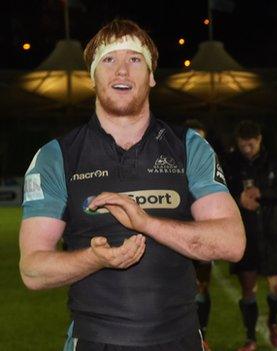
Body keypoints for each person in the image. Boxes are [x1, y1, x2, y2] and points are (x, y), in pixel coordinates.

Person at [18, 19, 245, 351]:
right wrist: (95, 259)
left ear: (151, 76)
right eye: (109, 60)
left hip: (180, 339)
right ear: (93, 77)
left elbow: (232, 242)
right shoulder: (56, 157)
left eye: (134, 60)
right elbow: (32, 270)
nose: (121, 71)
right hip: (95, 341)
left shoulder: (189, 147)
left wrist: (146, 223)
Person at [223, 120, 277, 351]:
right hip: (245, 234)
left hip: (273, 232)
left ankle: (273, 321)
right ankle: (250, 338)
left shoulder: (276, 160)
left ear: (259, 139)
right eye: (243, 145)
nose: (247, 149)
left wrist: (262, 193)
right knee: (248, 289)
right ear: (237, 142)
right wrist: (238, 199)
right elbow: (217, 190)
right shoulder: (229, 163)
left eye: (251, 144)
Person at [184, 118, 218, 351]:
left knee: (201, 287)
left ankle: (201, 335)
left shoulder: (211, 165)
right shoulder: (167, 164)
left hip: (203, 236)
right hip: (175, 236)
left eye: (202, 139)